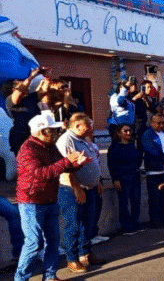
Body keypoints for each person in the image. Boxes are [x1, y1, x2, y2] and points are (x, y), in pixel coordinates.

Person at [15, 113, 89, 281]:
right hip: (31, 202)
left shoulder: (50, 147)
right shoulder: (28, 149)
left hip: (50, 199)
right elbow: (41, 174)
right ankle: (20, 278)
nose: (56, 133)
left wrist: (77, 163)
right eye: (53, 130)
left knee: (53, 241)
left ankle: (49, 276)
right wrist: (66, 162)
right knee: (33, 243)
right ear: (42, 131)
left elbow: (60, 167)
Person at [56, 112, 105, 273]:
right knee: (74, 226)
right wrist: (77, 189)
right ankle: (72, 259)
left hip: (89, 188)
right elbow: (67, 168)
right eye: (88, 125)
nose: (91, 128)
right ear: (77, 125)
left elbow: (93, 160)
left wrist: (96, 181)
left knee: (88, 224)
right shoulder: (66, 140)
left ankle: (85, 253)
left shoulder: (84, 140)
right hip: (72, 190)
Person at [107, 123, 143, 235]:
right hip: (122, 178)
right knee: (124, 203)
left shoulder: (132, 145)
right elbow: (112, 164)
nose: (128, 133)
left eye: (130, 130)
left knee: (136, 201)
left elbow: (138, 159)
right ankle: (127, 226)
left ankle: (135, 223)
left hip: (134, 176)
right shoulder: (115, 147)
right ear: (119, 133)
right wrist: (115, 179)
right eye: (125, 131)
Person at [141, 114, 164, 229]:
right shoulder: (147, 134)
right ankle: (155, 220)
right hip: (155, 170)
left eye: (163, 123)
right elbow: (151, 150)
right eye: (158, 123)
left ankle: (163, 218)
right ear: (152, 123)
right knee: (155, 198)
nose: (161, 125)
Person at [6, 67, 45, 155]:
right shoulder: (11, 100)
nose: (26, 87)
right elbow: (20, 90)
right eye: (22, 84)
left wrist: (46, 77)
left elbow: (44, 91)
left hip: (35, 138)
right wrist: (31, 77)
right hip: (20, 139)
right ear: (13, 89)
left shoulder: (31, 98)